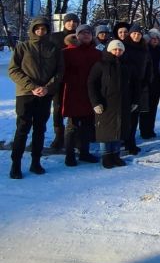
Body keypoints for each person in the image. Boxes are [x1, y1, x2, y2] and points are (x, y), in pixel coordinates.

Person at [8, 17, 64, 179]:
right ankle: (16, 164)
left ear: (47, 30)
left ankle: (36, 162)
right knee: (22, 128)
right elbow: (13, 70)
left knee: (40, 129)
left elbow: (59, 71)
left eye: (44, 29)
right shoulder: (23, 47)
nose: (40, 31)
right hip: (26, 94)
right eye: (37, 28)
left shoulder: (54, 49)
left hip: (45, 94)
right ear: (33, 30)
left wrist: (47, 87)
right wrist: (32, 87)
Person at [87, 39, 138, 169]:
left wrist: (134, 101)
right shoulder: (100, 64)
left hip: (123, 103)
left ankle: (116, 155)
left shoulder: (127, 65)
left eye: (120, 50)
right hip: (105, 103)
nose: (117, 52)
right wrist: (96, 102)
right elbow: (91, 83)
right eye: (115, 49)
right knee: (105, 131)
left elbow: (135, 84)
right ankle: (106, 156)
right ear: (109, 50)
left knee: (119, 130)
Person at [61, 24, 102, 166]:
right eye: (82, 33)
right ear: (77, 35)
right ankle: (69, 155)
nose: (86, 35)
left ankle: (84, 152)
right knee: (72, 126)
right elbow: (61, 73)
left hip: (90, 94)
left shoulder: (97, 53)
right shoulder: (67, 52)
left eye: (88, 33)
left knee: (87, 125)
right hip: (73, 92)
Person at [48, 12, 79, 150]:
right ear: (65, 22)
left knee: (75, 107)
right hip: (59, 79)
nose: (72, 23)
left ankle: (74, 135)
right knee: (58, 107)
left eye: (74, 21)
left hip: (76, 79)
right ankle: (58, 136)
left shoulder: (80, 37)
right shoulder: (55, 37)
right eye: (69, 21)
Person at [120, 24, 151, 155]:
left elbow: (149, 66)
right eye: (134, 34)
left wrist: (146, 80)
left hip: (140, 86)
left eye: (138, 34)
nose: (136, 36)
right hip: (126, 85)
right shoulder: (124, 47)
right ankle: (124, 142)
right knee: (125, 117)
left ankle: (131, 142)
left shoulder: (144, 49)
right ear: (130, 34)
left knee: (135, 116)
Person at [140, 28, 160, 139]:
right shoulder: (144, 50)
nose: (155, 40)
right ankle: (144, 130)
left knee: (153, 108)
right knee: (145, 109)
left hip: (157, 83)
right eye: (153, 38)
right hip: (146, 84)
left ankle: (151, 129)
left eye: (157, 39)